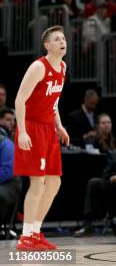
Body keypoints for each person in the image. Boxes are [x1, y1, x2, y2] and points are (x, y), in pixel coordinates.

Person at [13, 26, 70, 250]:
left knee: (54, 181)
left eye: (63, 38)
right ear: (47, 45)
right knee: (37, 181)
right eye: (57, 39)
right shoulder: (39, 66)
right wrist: (23, 131)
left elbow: (53, 103)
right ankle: (25, 236)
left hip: (48, 129)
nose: (62, 42)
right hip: (32, 127)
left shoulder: (63, 67)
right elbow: (19, 99)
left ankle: (36, 232)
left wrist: (60, 126)